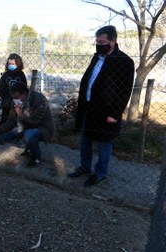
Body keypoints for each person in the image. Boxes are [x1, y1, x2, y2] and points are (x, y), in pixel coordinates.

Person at [67, 25, 135, 186]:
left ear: (113, 41)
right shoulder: (97, 57)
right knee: (85, 140)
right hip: (89, 109)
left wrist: (115, 113)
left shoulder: (124, 62)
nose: (99, 44)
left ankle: (100, 173)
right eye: (97, 41)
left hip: (106, 112)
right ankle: (85, 167)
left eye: (102, 41)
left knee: (104, 143)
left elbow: (124, 91)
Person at [0, 82, 55, 167]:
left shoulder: (40, 100)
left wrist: (21, 115)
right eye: (13, 98)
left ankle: (36, 158)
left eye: (16, 97)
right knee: (2, 138)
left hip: (43, 128)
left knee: (29, 134)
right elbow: (11, 121)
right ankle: (28, 147)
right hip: (25, 126)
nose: (14, 100)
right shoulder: (17, 101)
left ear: (24, 95)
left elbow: (35, 122)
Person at [0, 53, 27, 124]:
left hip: (18, 100)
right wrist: (2, 95)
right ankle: (2, 130)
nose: (11, 65)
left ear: (18, 64)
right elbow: (0, 86)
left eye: (13, 64)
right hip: (6, 100)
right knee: (5, 117)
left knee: (17, 118)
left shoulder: (21, 74)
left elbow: (24, 87)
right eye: (9, 64)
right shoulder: (5, 74)